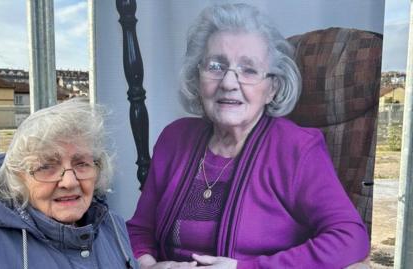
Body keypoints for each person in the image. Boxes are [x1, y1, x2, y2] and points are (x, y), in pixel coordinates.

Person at [126, 3, 369, 269]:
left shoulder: (297, 149)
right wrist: (150, 266)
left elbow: (350, 238)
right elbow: (139, 230)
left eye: (249, 70)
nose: (229, 83)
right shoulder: (175, 138)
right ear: (197, 78)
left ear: (272, 88)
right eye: (215, 66)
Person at [0, 98, 138, 269]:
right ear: (19, 177)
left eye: (82, 164)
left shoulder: (112, 226)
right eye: (46, 166)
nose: (69, 182)